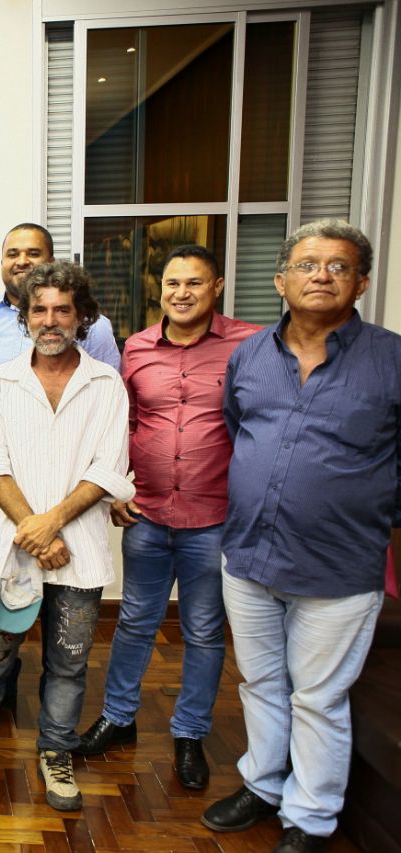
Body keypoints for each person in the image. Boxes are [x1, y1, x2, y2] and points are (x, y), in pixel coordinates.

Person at [201, 220, 400, 853]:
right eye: (308, 265)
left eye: (338, 267)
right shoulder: (251, 355)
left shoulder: (392, 359)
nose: (322, 276)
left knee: (319, 697)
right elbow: (240, 431)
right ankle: (262, 785)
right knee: (260, 684)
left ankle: (309, 818)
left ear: (361, 282)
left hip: (340, 566)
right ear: (281, 280)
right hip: (251, 556)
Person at [0, 261, 134, 813]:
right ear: (24, 317)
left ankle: (56, 751)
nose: (50, 320)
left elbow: (109, 466)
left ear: (81, 316)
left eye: (62, 310)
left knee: (69, 661)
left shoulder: (105, 382)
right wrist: (36, 529)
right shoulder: (3, 381)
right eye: (39, 309)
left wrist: (51, 524)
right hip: (15, 552)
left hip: (80, 549)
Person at [74, 245, 260, 789]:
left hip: (214, 516)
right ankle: (118, 718)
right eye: (173, 282)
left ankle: (189, 734)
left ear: (217, 286)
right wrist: (116, 488)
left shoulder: (249, 346)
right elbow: (122, 425)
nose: (182, 293)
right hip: (147, 513)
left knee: (203, 629)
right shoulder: (136, 348)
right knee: (134, 621)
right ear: (161, 288)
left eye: (194, 283)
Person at [0, 223, 122, 371]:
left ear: (51, 262)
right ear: (2, 262)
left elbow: (106, 386)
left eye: (33, 253)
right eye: (12, 254)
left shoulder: (93, 326)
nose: (21, 261)